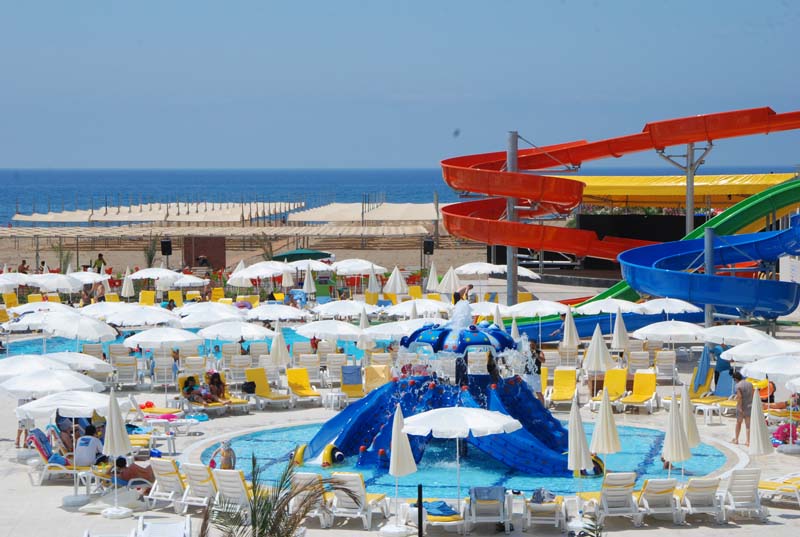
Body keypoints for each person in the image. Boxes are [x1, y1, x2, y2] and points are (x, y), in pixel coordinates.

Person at [731, 371, 753, 446]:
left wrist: (740, 407)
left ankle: (736, 439)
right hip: (749, 406)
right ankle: (748, 441)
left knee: (738, 423)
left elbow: (740, 397)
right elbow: (753, 394)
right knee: (748, 425)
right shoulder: (750, 384)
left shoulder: (738, 386)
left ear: (735, 379)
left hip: (742, 407)